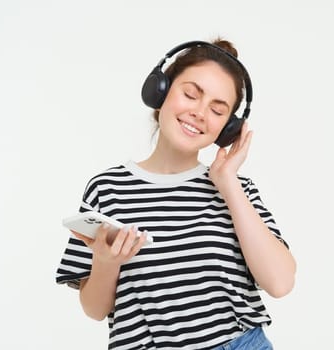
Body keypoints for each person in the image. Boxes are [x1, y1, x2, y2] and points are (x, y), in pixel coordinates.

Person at [56, 37, 296, 350]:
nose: (199, 112)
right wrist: (105, 261)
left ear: (228, 129)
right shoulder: (107, 189)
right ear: (161, 89)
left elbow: (280, 283)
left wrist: (227, 182)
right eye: (191, 95)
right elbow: (95, 309)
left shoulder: (237, 190)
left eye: (217, 110)